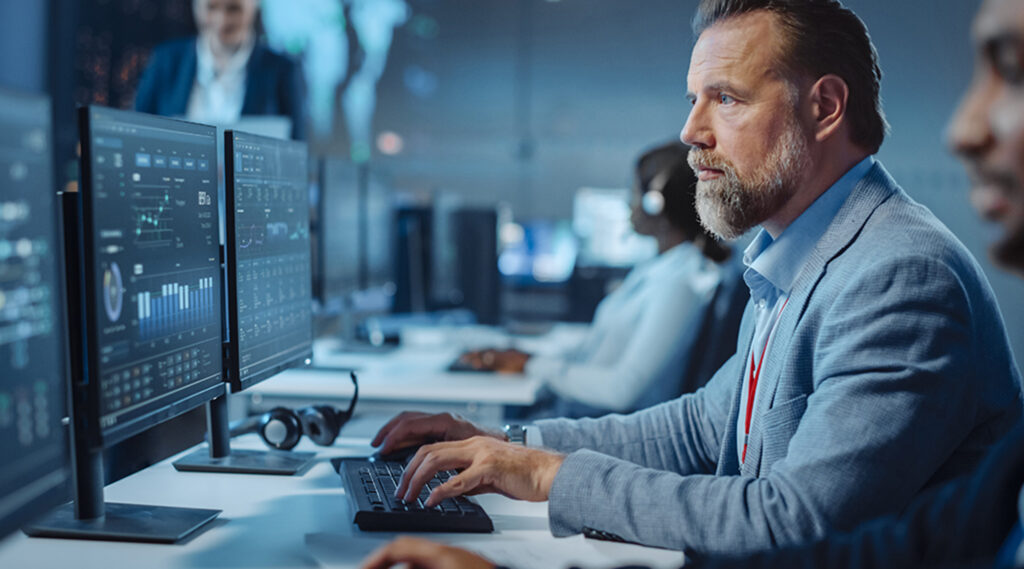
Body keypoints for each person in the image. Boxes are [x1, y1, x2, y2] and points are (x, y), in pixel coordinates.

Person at [360, 0, 1024, 566]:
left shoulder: (897, 273)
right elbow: (698, 432)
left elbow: (796, 524)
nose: (690, 132)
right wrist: (505, 448)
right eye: (694, 100)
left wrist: (550, 477)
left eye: (726, 99)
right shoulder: (794, 255)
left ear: (823, 106)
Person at [459, 141, 737, 417]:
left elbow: (622, 389)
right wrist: (527, 354)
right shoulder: (660, 268)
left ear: (657, 203)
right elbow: (598, 346)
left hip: (599, 425)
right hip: (578, 413)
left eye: (634, 191)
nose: (629, 202)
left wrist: (533, 364)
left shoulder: (679, 284)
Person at [134, 0, 306, 140]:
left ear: (255, 4)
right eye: (211, 7)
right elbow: (137, 132)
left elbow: (299, 155)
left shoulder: (283, 70)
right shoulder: (165, 61)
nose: (221, 20)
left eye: (234, 8)